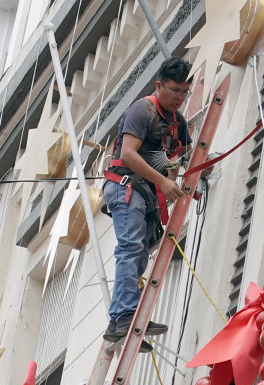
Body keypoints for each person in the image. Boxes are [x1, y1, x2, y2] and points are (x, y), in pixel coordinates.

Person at [102, 57, 195, 349]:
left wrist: (197, 168)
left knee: (139, 255)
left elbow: (186, 155)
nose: (180, 98)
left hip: (146, 193)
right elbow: (128, 154)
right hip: (126, 187)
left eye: (185, 92)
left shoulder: (176, 121)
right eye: (175, 91)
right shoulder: (142, 111)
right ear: (159, 85)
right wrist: (166, 182)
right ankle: (126, 315)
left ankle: (120, 322)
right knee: (130, 249)